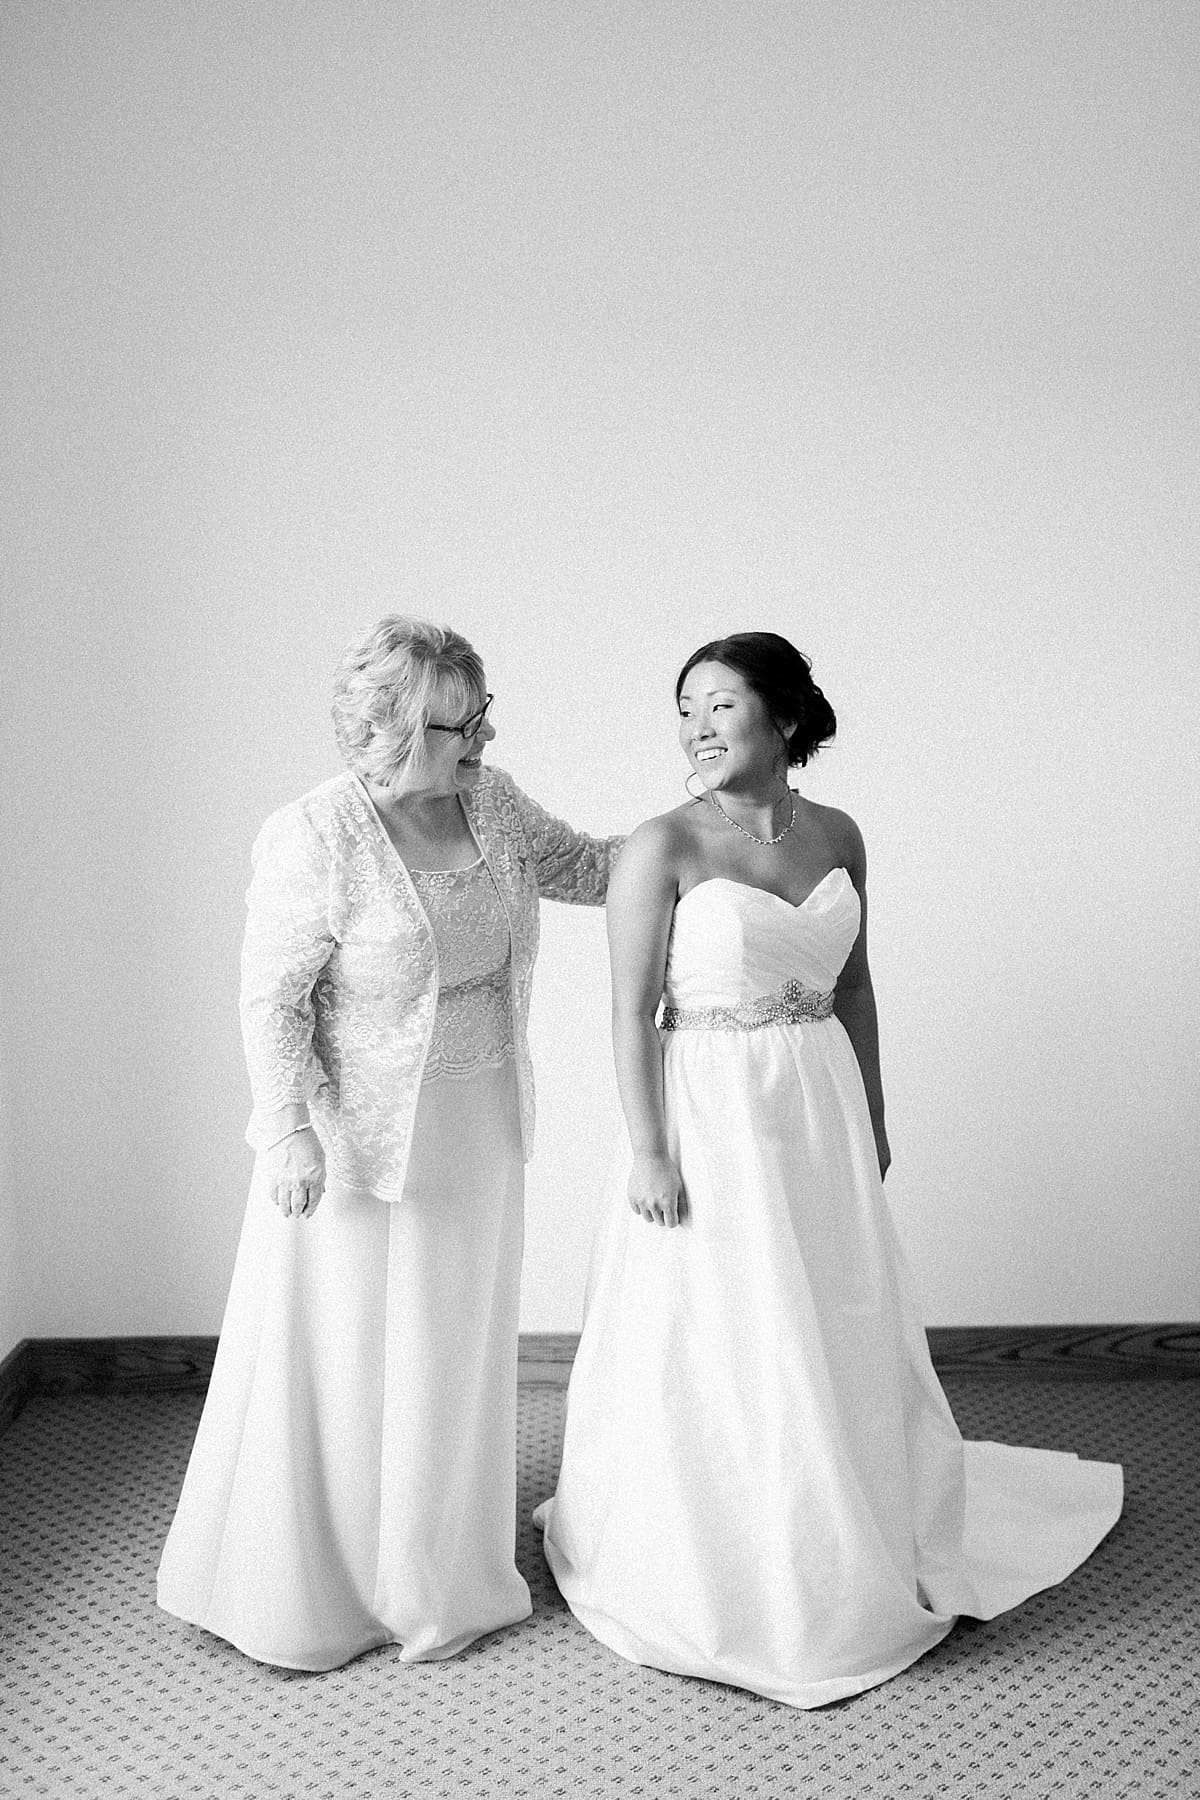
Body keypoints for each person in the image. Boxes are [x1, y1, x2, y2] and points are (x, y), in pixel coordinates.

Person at [536, 631, 1122, 1709]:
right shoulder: (658, 846)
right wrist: (653, 1149)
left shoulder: (841, 831)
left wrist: (878, 1116)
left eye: (720, 705)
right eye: (685, 708)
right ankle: (728, 1551)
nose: (696, 728)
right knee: (727, 1319)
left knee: (833, 1309)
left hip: (818, 1100)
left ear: (787, 719)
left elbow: (854, 989)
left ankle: (845, 1509)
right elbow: (627, 1011)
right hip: (708, 1105)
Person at [158, 615, 621, 1671]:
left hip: (480, 1116)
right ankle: (331, 1581)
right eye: (463, 724)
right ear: (396, 728)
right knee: (353, 1355)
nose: (484, 741)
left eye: (484, 716)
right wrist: (285, 1131)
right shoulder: (312, 835)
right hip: (354, 1140)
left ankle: (436, 1566)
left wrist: (702, 834)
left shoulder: (491, 802)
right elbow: (270, 1000)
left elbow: (589, 868)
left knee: (448, 1348)